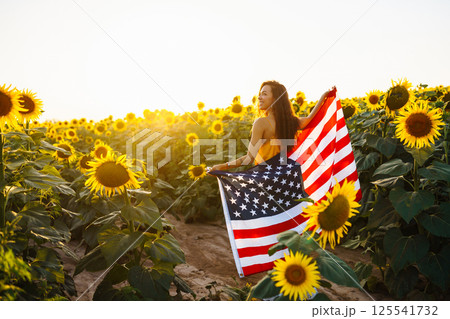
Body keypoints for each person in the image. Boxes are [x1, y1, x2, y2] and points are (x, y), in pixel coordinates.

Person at [209, 80, 333, 171]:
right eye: (260, 94)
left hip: (265, 180)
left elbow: (249, 158)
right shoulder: (291, 122)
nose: (259, 97)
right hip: (286, 178)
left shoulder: (261, 123)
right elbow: (310, 118)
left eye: (264, 94)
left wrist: (223, 166)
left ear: (275, 99)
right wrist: (325, 96)